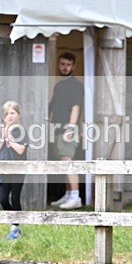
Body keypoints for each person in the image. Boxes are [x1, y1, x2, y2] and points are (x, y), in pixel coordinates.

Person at [48, 52, 84, 209]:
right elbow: (52, 108)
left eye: (68, 65)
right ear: (58, 64)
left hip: (68, 130)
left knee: (68, 163)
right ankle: (68, 195)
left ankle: (76, 196)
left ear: (73, 66)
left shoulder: (76, 85)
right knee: (64, 163)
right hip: (57, 130)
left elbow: (76, 107)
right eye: (62, 64)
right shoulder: (58, 85)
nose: (65, 67)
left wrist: (71, 127)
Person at [0, 101, 29, 240]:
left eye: (12, 113)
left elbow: (21, 150)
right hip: (3, 170)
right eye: (7, 114)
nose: (10, 116)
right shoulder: (2, 131)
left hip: (17, 169)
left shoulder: (21, 131)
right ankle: (13, 223)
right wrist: (2, 138)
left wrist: (10, 139)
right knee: (3, 199)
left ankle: (15, 228)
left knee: (15, 198)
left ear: (18, 115)